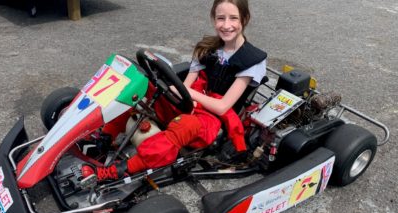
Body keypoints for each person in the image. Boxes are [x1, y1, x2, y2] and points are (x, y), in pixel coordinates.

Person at [81, 0, 267, 181]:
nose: (226, 25)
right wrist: (171, 91)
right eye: (221, 18)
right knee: (139, 93)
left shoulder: (251, 60)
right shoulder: (208, 48)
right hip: (194, 100)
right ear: (213, 19)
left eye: (233, 18)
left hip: (215, 117)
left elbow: (222, 106)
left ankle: (121, 170)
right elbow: (187, 84)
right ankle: (104, 140)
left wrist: (190, 95)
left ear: (245, 18)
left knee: (184, 125)